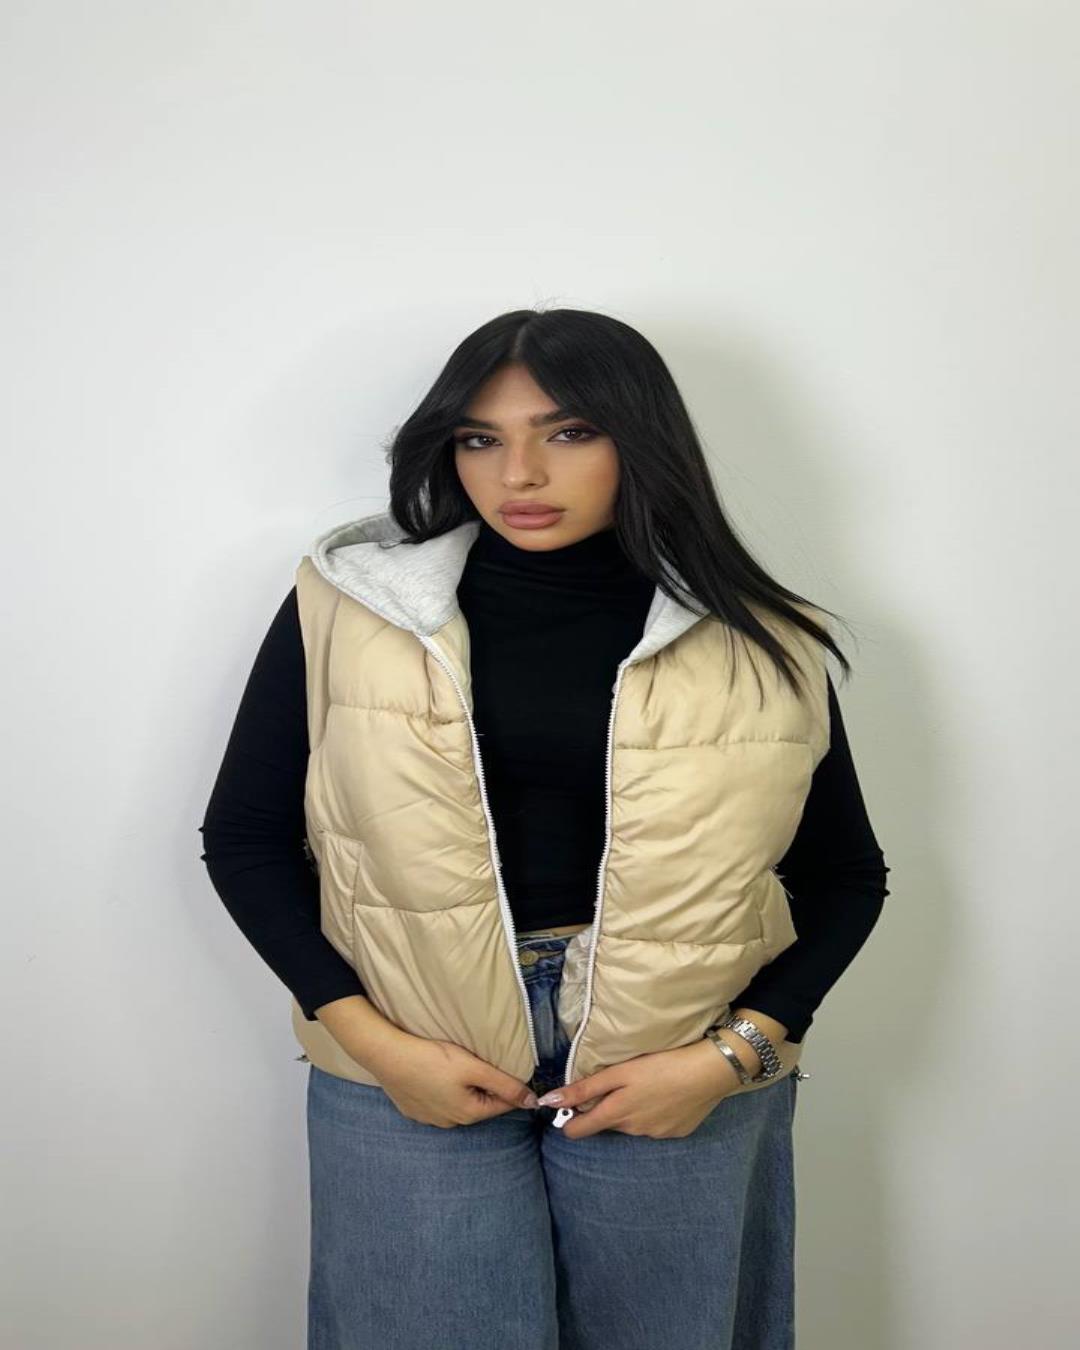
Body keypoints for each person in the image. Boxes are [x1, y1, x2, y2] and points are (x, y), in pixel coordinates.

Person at [199, 307, 890, 1350]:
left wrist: (730, 1057)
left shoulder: (765, 640)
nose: (518, 472)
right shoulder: (348, 608)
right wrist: (377, 1046)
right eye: (480, 438)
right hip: (409, 1041)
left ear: (641, 439)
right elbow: (247, 837)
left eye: (568, 432)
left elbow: (845, 875)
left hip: (676, 1052)